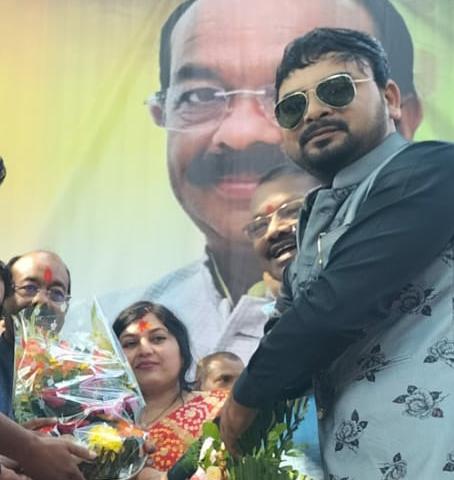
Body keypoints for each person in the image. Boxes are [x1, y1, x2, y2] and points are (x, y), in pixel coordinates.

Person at [98, 0, 422, 366]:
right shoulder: (108, 337)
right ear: (162, 114)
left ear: (398, 111)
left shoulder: (433, 300)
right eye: (200, 95)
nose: (242, 134)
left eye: (284, 100)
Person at [220, 27, 454, 478]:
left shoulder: (432, 170)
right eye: (293, 107)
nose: (314, 111)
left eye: (336, 89)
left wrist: (243, 398)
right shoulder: (315, 222)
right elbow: (285, 343)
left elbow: (336, 306)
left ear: (390, 98)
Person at [113, 301, 227, 477]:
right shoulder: (100, 426)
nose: (145, 350)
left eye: (158, 338)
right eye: (130, 343)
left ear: (182, 352)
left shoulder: (221, 409)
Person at [0, 250, 71, 417]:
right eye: (29, 288)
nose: (42, 300)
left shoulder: (82, 375)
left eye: (57, 293)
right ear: (4, 299)